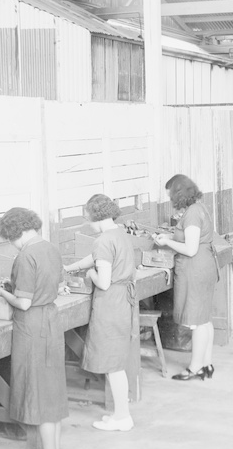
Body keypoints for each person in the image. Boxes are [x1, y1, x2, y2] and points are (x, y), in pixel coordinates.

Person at [0, 207, 69, 449]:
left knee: (39, 394)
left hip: (32, 325)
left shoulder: (25, 255)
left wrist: (3, 292)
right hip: (49, 319)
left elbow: (24, 302)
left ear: (15, 233)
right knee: (51, 392)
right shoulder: (50, 248)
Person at [63, 194, 138, 432]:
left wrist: (89, 275)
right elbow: (98, 257)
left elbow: (103, 281)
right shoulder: (120, 234)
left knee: (112, 364)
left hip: (110, 303)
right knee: (115, 361)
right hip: (122, 302)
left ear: (95, 218)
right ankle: (119, 413)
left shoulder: (103, 240)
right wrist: (72, 267)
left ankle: (123, 417)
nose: (89, 225)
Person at [152, 174, 219, 381]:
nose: (169, 199)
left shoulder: (190, 214)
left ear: (178, 194)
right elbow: (192, 237)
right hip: (205, 266)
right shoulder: (199, 207)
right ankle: (207, 364)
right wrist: (171, 236)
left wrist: (166, 243)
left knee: (196, 322)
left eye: (171, 194)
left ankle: (195, 368)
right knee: (205, 319)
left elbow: (190, 249)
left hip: (195, 269)